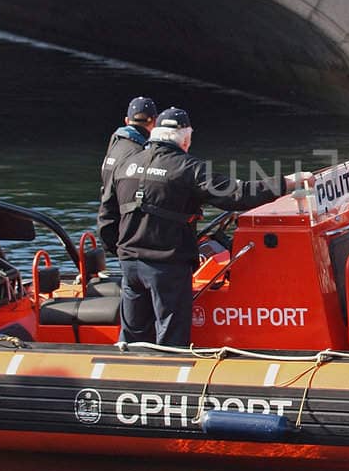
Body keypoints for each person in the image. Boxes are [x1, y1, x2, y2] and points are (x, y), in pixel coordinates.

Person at [104, 107, 288, 346]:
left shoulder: (125, 164)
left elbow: (107, 216)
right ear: (186, 138)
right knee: (170, 337)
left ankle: (128, 376)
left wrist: (118, 252)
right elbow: (237, 195)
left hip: (130, 265)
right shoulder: (187, 168)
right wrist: (285, 184)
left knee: (133, 335)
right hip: (166, 267)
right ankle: (170, 378)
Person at [96, 95, 157, 256]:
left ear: (126, 120)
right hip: (127, 234)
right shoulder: (140, 152)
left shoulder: (116, 146)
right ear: (155, 122)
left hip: (108, 223)